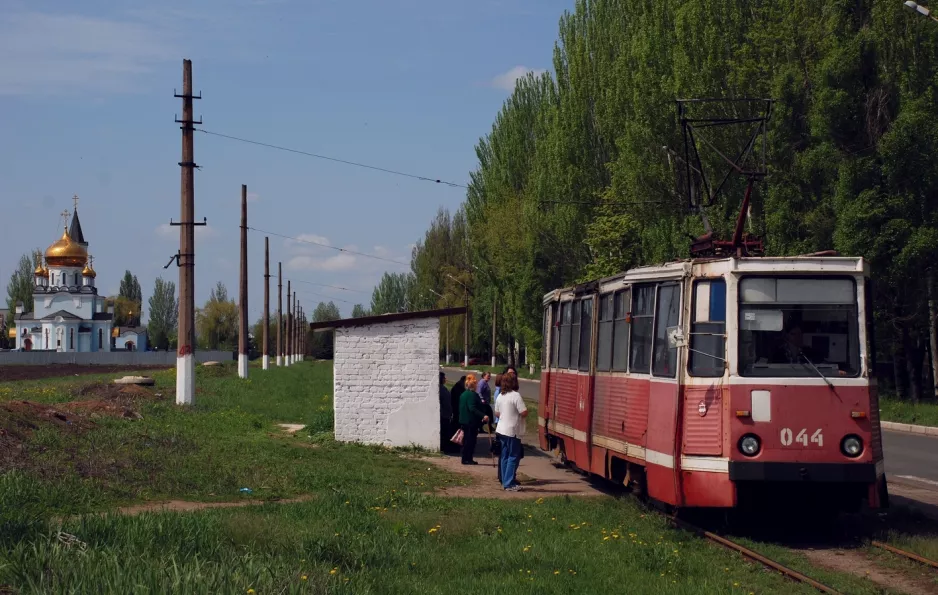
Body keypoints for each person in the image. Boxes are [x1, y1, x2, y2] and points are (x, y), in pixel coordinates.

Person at [495, 371, 527, 491]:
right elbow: (523, 412)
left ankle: (504, 480)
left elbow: (497, 412)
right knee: (513, 456)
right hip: (512, 430)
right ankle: (509, 483)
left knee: (504, 456)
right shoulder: (515, 396)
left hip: (501, 429)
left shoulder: (500, 395)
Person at [458, 374, 489, 465]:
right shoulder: (472, 395)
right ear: (474, 385)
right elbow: (472, 408)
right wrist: (483, 415)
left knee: (466, 441)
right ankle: (468, 459)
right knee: (470, 441)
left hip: (464, 420)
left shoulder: (463, 394)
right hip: (471, 421)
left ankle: (465, 458)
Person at [438, 371, 454, 453]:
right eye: (444, 378)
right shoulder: (440, 389)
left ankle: (445, 447)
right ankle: (444, 448)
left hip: (446, 414)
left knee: (446, 432)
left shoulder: (443, 388)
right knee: (444, 432)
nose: (445, 379)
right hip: (443, 414)